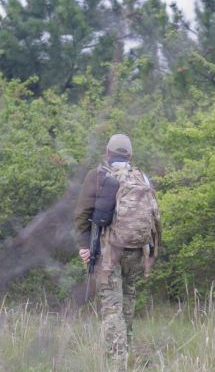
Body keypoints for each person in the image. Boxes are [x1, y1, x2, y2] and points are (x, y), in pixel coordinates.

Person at [74, 133, 161, 371]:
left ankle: (116, 365)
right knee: (128, 304)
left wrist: (84, 247)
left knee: (112, 308)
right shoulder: (142, 177)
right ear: (130, 155)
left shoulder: (98, 175)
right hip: (137, 251)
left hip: (108, 252)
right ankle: (126, 356)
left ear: (107, 153)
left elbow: (82, 215)